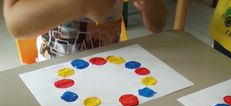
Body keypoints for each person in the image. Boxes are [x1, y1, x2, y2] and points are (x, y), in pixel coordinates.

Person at [3, 0, 167, 60]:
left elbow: (157, 25)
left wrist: (149, 5)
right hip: (55, 72)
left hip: (112, 65)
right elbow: (15, 23)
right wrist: (80, 4)